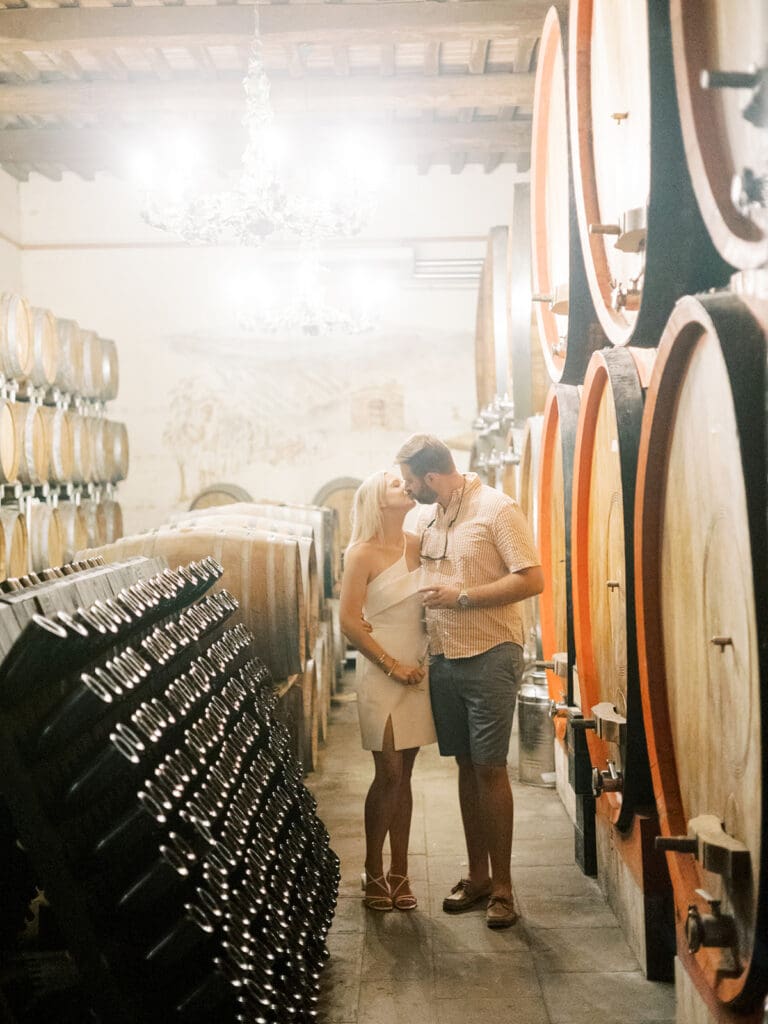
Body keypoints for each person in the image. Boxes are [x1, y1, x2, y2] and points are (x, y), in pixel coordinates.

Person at [395, 433, 544, 928]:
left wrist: (463, 597)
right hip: (445, 660)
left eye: (411, 481)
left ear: (432, 477)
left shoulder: (497, 510)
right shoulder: (423, 517)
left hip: (491, 654)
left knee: (489, 768)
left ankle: (503, 888)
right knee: (464, 766)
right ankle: (477, 875)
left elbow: (532, 579)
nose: (407, 488)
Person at [339, 470, 437, 913]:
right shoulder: (360, 554)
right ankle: (372, 868)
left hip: (417, 669)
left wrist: (420, 661)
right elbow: (347, 623)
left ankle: (401, 871)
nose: (406, 486)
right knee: (389, 772)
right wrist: (391, 665)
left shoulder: (418, 544)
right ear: (378, 502)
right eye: (395, 485)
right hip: (382, 669)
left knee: (407, 774)